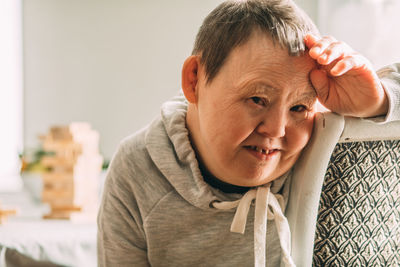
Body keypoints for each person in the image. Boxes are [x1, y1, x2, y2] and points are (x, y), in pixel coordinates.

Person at [97, 0, 400, 266]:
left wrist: (379, 101)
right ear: (194, 80)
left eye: (298, 108)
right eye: (257, 99)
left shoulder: (320, 145)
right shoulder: (138, 169)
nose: (277, 129)